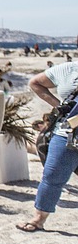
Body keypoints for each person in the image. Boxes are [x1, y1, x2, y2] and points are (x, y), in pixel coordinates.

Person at [16, 61, 78, 232]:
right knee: (52, 175)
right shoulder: (68, 69)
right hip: (68, 131)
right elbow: (35, 83)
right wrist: (59, 106)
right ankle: (38, 219)